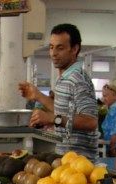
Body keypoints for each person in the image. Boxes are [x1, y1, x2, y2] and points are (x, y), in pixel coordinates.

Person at [18, 23, 99, 159]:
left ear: (74, 49)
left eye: (60, 48)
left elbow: (90, 122)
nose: (53, 53)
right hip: (66, 157)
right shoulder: (64, 78)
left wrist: (53, 119)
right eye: (51, 47)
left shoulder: (78, 79)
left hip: (81, 162)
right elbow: (64, 112)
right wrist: (38, 96)